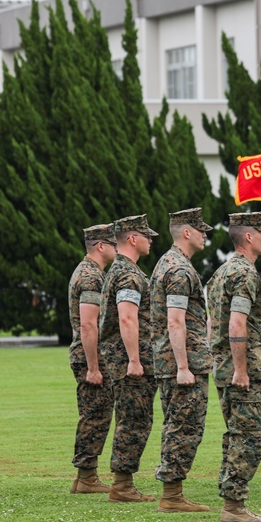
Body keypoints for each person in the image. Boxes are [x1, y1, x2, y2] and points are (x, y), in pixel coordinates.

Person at [206, 211, 261, 522]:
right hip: (242, 369)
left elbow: (211, 323)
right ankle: (234, 507)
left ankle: (232, 503)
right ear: (247, 236)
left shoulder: (221, 273)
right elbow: (237, 322)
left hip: (222, 366)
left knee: (238, 434)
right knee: (250, 436)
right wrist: (241, 370)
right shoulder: (244, 274)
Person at [149, 208, 214, 513]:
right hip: (183, 364)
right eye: (201, 230)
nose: (206, 235)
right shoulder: (178, 270)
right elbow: (175, 322)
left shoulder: (168, 263)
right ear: (187, 232)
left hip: (172, 361)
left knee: (178, 424)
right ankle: (172, 495)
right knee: (184, 427)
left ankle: (173, 492)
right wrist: (184, 367)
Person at [99, 214, 159, 503]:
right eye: (146, 235)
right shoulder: (128, 274)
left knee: (132, 418)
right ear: (133, 239)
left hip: (122, 358)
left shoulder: (121, 269)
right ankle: (122, 485)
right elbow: (127, 317)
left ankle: (123, 482)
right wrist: (134, 359)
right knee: (134, 420)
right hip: (129, 361)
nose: (150, 240)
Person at [68, 223, 117, 494]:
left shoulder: (88, 272)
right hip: (90, 356)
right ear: (100, 246)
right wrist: (94, 366)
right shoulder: (91, 277)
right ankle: (86, 477)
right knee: (95, 414)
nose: (116, 248)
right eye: (113, 244)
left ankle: (84, 477)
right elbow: (88, 325)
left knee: (94, 412)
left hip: (88, 354)